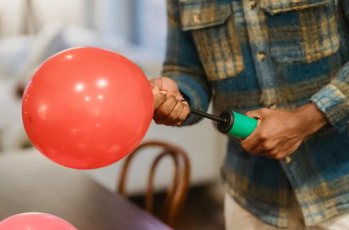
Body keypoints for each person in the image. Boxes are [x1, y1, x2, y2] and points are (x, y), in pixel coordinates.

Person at [150, 0, 349, 229]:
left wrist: (308, 118)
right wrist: (176, 97)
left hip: (341, 190)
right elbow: (186, 69)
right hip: (250, 194)